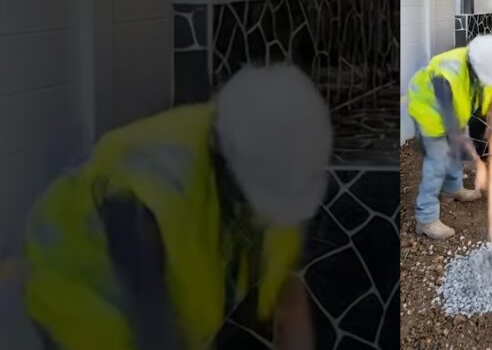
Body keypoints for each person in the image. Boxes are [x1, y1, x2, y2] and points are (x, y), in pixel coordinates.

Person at [8, 64, 332, 350]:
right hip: (71, 301)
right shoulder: (155, 185)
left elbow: (289, 297)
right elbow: (154, 328)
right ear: (229, 165)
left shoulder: (273, 167)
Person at [407, 34, 492, 240]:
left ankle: (453, 189)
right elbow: (453, 130)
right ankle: (426, 219)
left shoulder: (484, 66)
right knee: (437, 162)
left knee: (455, 154)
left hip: (453, 113)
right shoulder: (447, 74)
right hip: (429, 111)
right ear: (472, 64)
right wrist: (477, 161)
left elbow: (491, 102)